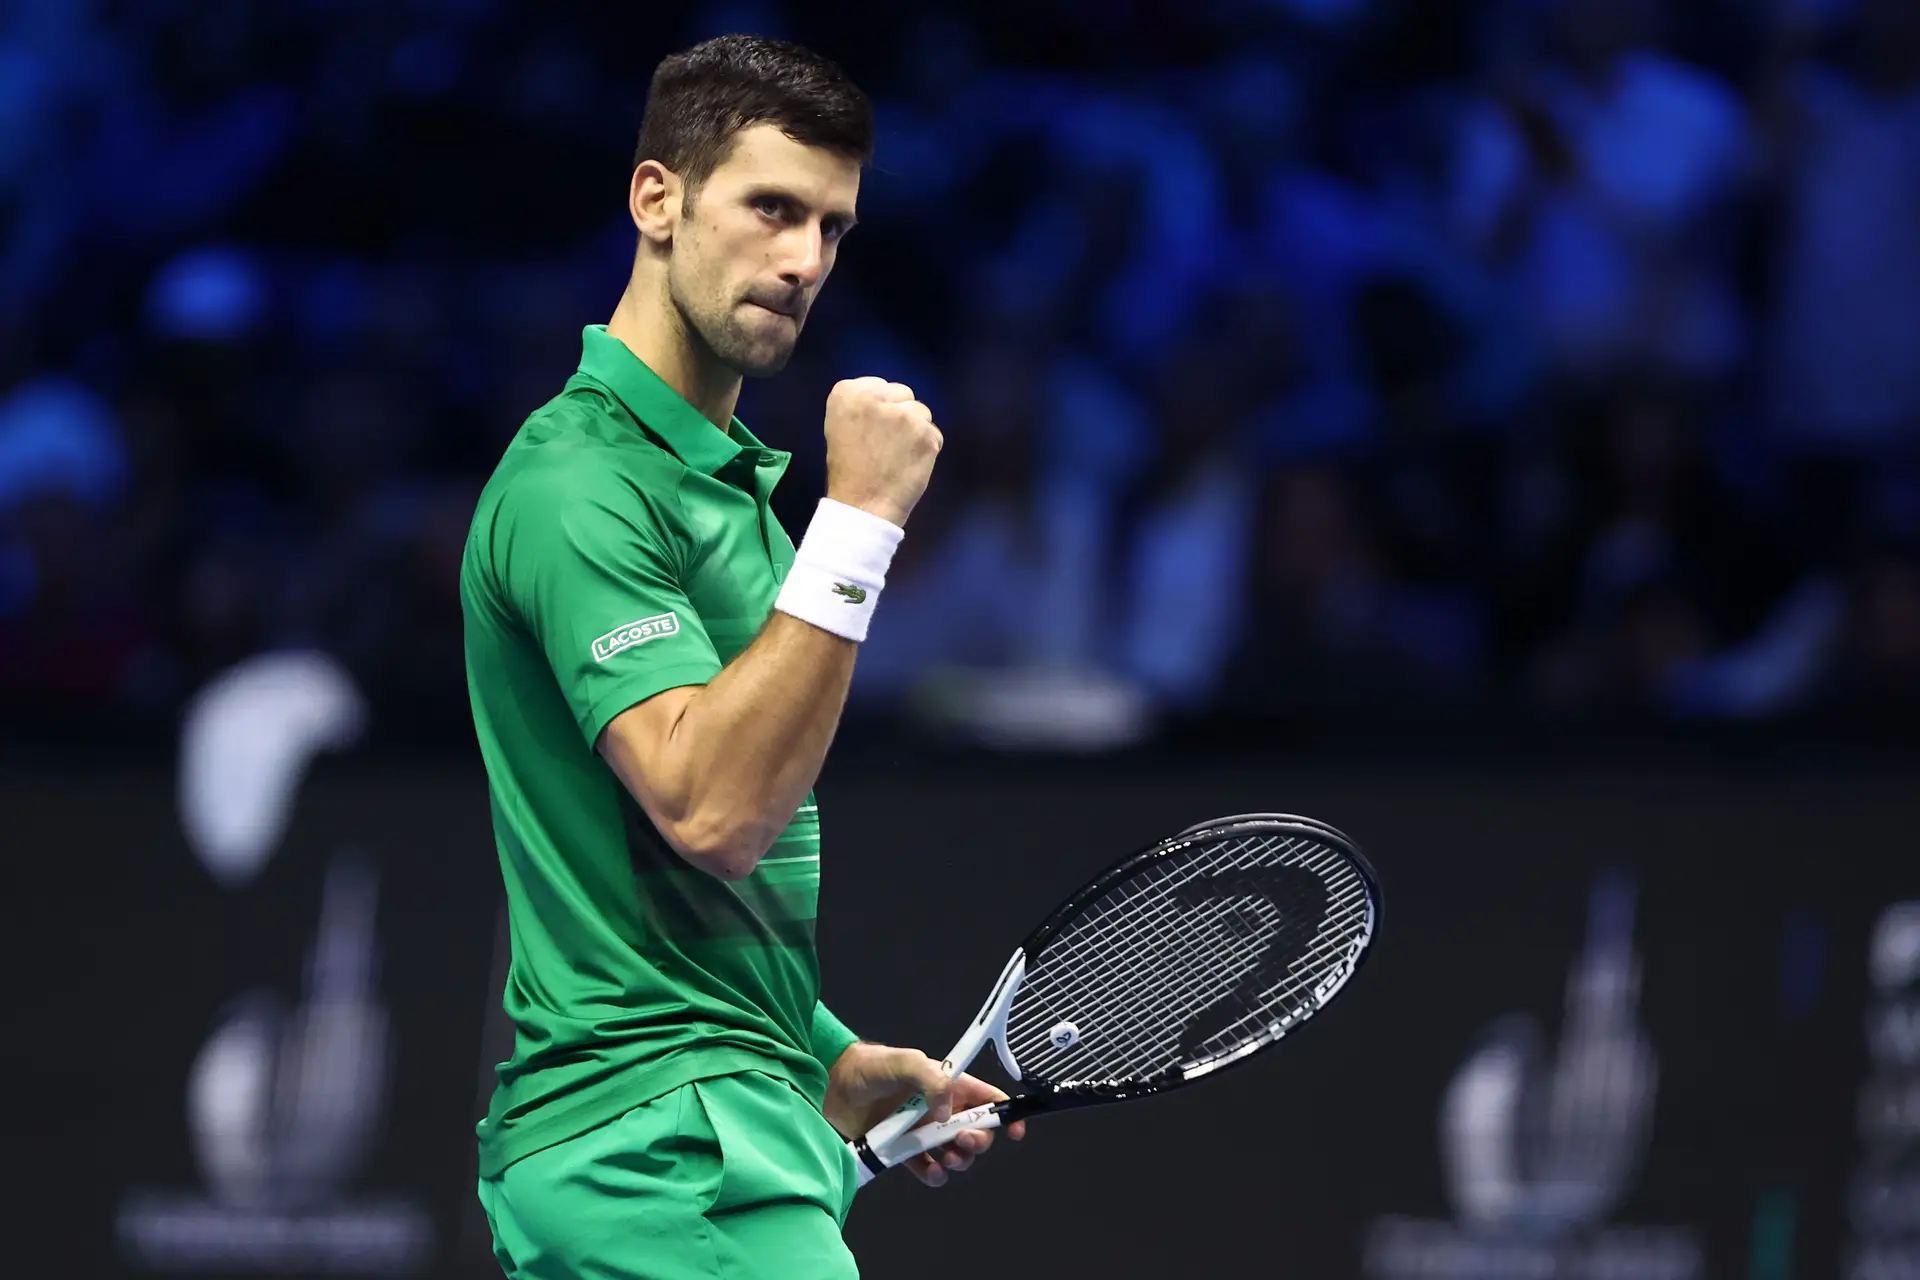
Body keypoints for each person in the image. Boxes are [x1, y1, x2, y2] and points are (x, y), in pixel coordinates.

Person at [459, 35, 1022, 1280]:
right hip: (667, 1152)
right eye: (771, 208)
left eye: (833, 228)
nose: (804, 259)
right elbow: (711, 808)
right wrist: (863, 520)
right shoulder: (579, 485)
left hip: (688, 1129)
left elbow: (677, 887)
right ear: (657, 199)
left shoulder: (733, 499)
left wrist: (819, 1054)